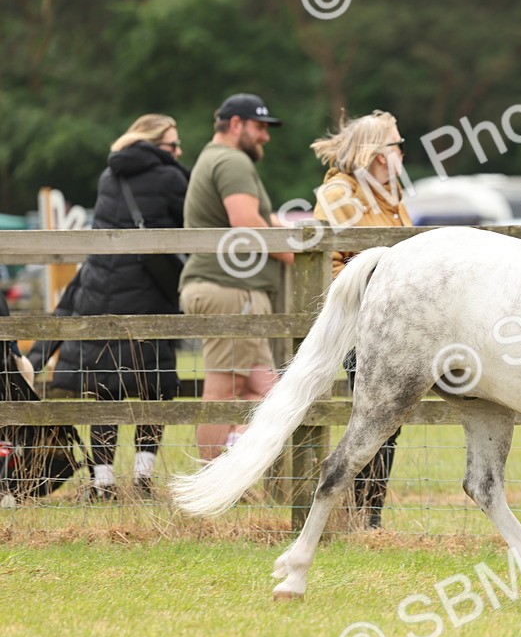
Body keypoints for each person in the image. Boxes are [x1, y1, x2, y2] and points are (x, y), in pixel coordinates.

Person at [31, 114, 189, 500]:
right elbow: (188, 229)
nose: (179, 151)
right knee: (153, 388)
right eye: (173, 144)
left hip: (99, 293)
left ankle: (102, 482)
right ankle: (143, 477)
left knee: (106, 390)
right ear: (154, 144)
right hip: (148, 296)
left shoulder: (108, 177)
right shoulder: (171, 179)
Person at [311, 110, 412, 528]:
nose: (403, 151)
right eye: (397, 144)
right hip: (361, 325)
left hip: (397, 327)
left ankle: (367, 514)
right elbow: (325, 265)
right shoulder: (339, 195)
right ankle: (360, 516)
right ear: (378, 154)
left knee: (387, 421)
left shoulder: (392, 199)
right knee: (373, 420)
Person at [180, 94, 292, 461]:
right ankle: (214, 478)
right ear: (236, 124)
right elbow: (246, 223)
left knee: (269, 391)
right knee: (224, 390)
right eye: (260, 127)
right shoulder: (231, 160)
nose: (266, 137)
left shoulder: (217, 159)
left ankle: (234, 465)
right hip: (231, 290)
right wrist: (293, 254)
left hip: (234, 289)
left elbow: (266, 220)